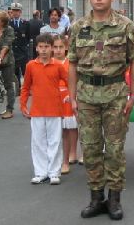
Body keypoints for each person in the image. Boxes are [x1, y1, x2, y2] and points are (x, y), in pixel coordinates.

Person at [68, 0, 134, 220]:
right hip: (87, 95)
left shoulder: (126, 27)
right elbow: (73, 63)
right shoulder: (78, 27)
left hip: (115, 95)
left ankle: (115, 199)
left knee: (115, 149)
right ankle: (96, 197)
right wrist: (73, 96)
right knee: (89, 149)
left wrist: (133, 95)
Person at [20, 33, 68, 185]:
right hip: (37, 110)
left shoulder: (58, 66)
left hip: (55, 109)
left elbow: (69, 82)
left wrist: (70, 97)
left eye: (47, 47)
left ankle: (54, 172)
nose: (44, 50)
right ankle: (40, 172)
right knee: (38, 142)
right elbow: (26, 87)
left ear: (52, 49)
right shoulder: (30, 66)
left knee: (55, 141)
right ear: (36, 48)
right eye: (41, 47)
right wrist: (23, 104)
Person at [52, 35, 80, 175]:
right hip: (56, 98)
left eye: (61, 47)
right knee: (62, 129)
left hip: (69, 97)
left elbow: (76, 80)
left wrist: (73, 94)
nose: (58, 50)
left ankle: (73, 153)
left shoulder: (70, 63)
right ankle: (62, 156)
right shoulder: (50, 63)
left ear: (66, 47)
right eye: (55, 47)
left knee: (72, 127)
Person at [9, 2, 30, 89]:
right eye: (14, 11)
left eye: (17, 11)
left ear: (20, 12)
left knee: (25, 71)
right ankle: (18, 88)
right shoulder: (9, 24)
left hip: (23, 52)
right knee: (15, 72)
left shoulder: (25, 23)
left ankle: (27, 88)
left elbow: (28, 37)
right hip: (13, 52)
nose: (15, 13)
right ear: (11, 12)